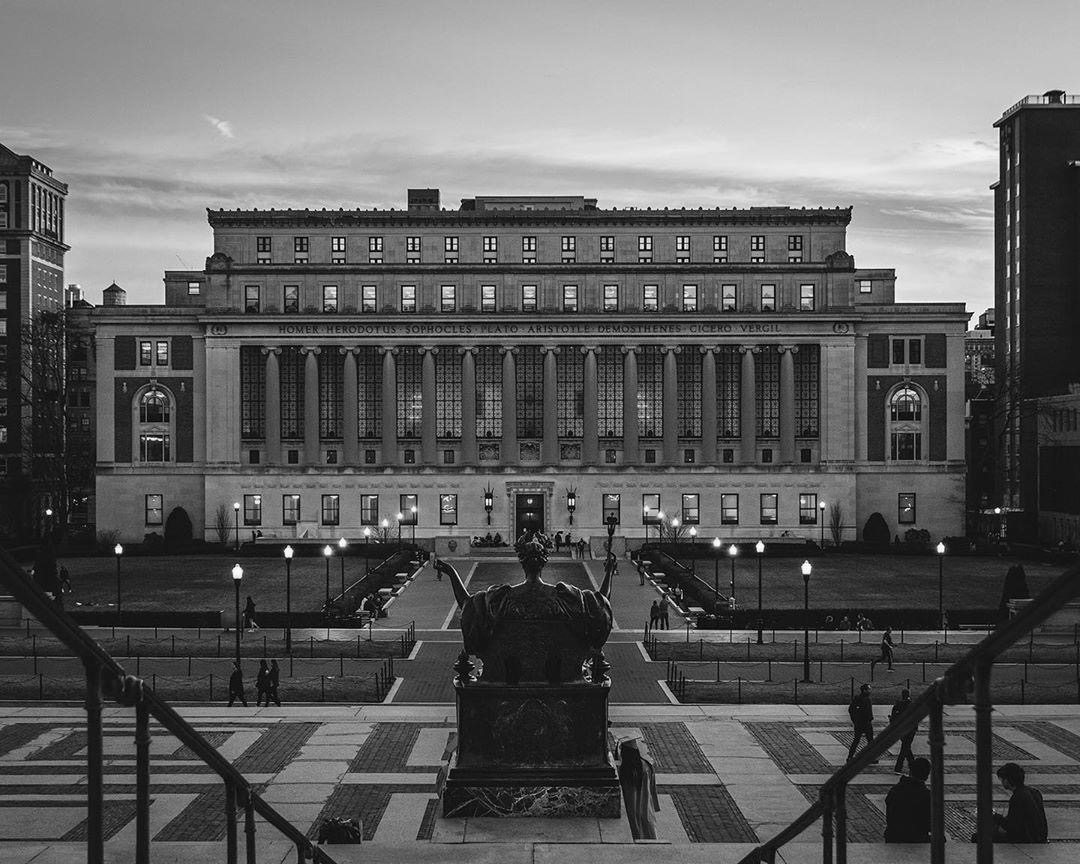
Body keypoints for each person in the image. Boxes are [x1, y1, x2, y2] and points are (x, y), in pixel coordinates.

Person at [992, 762, 1048, 843]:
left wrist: (995, 816)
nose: (1002, 782)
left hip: (1026, 838)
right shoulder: (1034, 792)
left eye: (1002, 779)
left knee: (978, 837)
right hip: (1040, 836)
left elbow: (1012, 826)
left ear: (1007, 780)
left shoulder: (1018, 797)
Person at [617, 737, 660, 840]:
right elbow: (652, 787)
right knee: (648, 824)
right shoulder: (647, 766)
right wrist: (654, 804)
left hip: (631, 804)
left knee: (635, 827)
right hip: (645, 802)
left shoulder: (624, 770)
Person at [884, 757, 931, 842]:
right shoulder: (926, 796)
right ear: (926, 776)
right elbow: (929, 824)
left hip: (893, 836)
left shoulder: (896, 790)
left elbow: (890, 816)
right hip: (915, 839)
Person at [890, 688, 918, 774]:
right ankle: (899, 767)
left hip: (900, 729)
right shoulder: (912, 704)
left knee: (906, 747)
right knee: (905, 748)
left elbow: (893, 717)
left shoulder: (898, 704)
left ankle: (912, 766)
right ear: (909, 695)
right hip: (910, 729)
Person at [847, 683, 875, 761]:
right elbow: (851, 710)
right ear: (864, 690)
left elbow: (851, 710)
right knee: (868, 741)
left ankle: (850, 756)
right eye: (869, 689)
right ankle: (871, 757)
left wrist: (855, 720)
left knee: (858, 740)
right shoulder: (863, 699)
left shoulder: (860, 698)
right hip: (864, 723)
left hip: (861, 723)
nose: (870, 690)